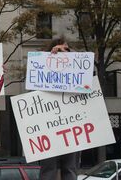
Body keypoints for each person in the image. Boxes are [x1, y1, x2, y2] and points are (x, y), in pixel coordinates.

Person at [39, 38, 77, 180]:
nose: (63, 51)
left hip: (71, 125)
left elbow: (86, 71)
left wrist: (68, 53)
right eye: (60, 48)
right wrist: (51, 55)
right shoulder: (42, 70)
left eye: (66, 49)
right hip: (49, 127)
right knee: (48, 169)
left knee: (69, 168)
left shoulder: (75, 73)